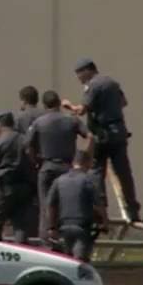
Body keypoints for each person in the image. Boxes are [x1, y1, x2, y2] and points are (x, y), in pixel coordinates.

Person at [62, 58, 142, 223]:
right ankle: (133, 209)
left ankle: (100, 210)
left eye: (79, 74)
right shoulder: (112, 83)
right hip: (119, 131)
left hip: (103, 134)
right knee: (124, 172)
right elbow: (124, 102)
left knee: (97, 171)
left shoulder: (93, 85)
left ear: (88, 70)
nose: (79, 78)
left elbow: (81, 110)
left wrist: (69, 106)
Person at [28, 90, 92, 237]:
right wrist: (86, 157)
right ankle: (66, 239)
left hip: (47, 167)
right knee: (67, 204)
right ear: (58, 103)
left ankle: (47, 241)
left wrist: (35, 162)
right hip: (67, 168)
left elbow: (28, 146)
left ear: (44, 105)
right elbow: (90, 136)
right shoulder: (72, 120)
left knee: (46, 206)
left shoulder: (39, 122)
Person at [0, 112, 38, 244]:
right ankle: (21, 251)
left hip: (5, 186)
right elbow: (33, 161)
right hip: (25, 186)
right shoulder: (25, 140)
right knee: (20, 224)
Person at [46, 150, 99, 262]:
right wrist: (104, 222)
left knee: (66, 260)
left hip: (63, 227)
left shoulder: (59, 181)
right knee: (79, 262)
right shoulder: (88, 180)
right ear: (87, 162)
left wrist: (51, 227)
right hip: (82, 227)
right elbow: (99, 204)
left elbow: (50, 204)